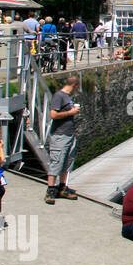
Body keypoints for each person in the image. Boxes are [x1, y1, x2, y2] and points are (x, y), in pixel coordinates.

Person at [45, 74, 82, 204]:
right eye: (78, 87)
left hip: (70, 134)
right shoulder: (59, 96)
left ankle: (62, 187)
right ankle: (50, 189)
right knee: (56, 160)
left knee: (67, 162)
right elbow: (53, 114)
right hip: (60, 135)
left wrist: (72, 111)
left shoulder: (67, 97)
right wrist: (70, 113)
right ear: (75, 85)